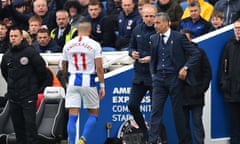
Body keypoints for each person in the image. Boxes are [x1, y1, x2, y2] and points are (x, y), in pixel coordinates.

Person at [148, 12, 200, 144]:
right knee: (155, 112)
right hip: (159, 79)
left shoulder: (179, 37)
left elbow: (195, 53)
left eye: (158, 23)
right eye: (155, 23)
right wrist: (153, 74)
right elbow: (153, 58)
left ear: (167, 23)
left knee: (178, 114)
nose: (155, 25)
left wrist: (185, 67)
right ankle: (152, 141)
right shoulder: (154, 38)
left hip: (174, 79)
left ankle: (183, 141)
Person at [0, 27, 48, 144]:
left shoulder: (30, 52)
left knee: (30, 127)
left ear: (22, 37)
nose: (13, 38)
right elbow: (5, 73)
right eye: (11, 36)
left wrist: (33, 88)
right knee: (18, 128)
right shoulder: (7, 55)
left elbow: (42, 71)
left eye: (16, 36)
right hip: (13, 97)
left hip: (28, 96)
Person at [62, 20, 105, 144]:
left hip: (73, 79)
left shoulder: (68, 44)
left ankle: (71, 142)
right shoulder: (94, 45)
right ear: (90, 30)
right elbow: (99, 68)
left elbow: (63, 65)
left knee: (72, 115)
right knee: (93, 113)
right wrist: (102, 85)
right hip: (88, 80)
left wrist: (66, 79)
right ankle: (83, 139)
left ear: (77, 31)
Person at [128, 4, 156, 143]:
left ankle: (153, 137)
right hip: (139, 76)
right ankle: (145, 131)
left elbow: (167, 51)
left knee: (155, 110)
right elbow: (131, 46)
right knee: (132, 105)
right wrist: (132, 53)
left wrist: (151, 58)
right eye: (147, 16)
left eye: (152, 16)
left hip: (155, 77)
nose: (149, 19)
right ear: (142, 16)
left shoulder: (159, 30)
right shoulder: (137, 29)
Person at [182, 29, 212, 144]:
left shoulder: (200, 52)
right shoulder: (176, 54)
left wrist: (201, 89)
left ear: (191, 39)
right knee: (183, 126)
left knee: (197, 124)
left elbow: (207, 73)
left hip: (196, 95)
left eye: (186, 39)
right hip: (181, 96)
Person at [219, 18, 240, 144]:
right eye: (236, 28)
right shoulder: (229, 45)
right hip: (232, 92)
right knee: (234, 123)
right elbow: (223, 67)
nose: (238, 31)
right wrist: (224, 83)